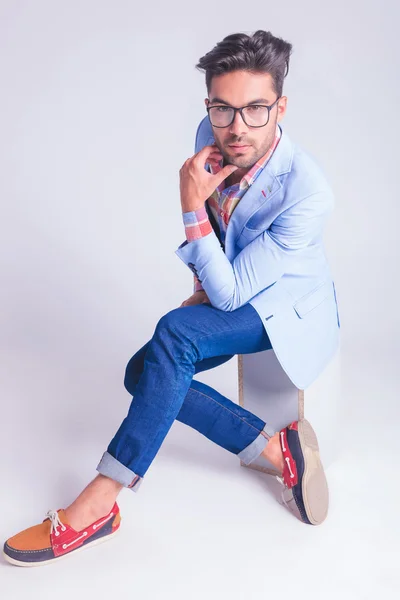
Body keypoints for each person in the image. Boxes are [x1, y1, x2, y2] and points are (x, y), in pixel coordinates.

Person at [3, 29, 340, 567]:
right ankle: (279, 452)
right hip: (232, 285)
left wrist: (187, 200)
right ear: (210, 104)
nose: (236, 128)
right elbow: (219, 226)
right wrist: (199, 285)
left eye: (256, 109)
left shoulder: (307, 190)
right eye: (223, 109)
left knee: (172, 340)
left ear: (281, 106)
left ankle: (99, 503)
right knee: (145, 376)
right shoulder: (212, 132)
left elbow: (230, 295)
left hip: (285, 307)